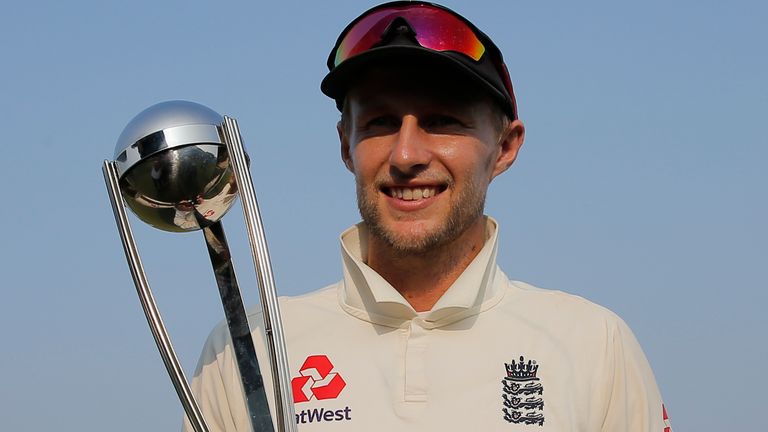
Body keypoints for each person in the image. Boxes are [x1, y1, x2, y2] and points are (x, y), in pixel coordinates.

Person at [184, 2, 672, 431]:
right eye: (380, 123)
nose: (406, 154)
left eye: (442, 122)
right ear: (345, 146)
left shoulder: (592, 344)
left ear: (505, 146)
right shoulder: (247, 350)